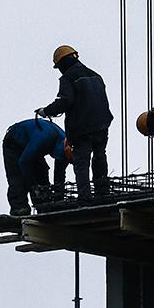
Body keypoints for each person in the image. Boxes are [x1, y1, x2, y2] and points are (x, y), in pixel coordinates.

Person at [36, 45, 113, 200]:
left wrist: (46, 111)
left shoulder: (68, 78)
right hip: (102, 125)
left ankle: (85, 199)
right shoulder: (96, 75)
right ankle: (102, 192)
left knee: (82, 163)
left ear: (62, 63)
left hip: (82, 129)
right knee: (99, 157)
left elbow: (65, 101)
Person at [2, 117, 71, 217]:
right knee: (18, 177)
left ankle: (43, 207)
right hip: (14, 143)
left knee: (41, 173)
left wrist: (58, 198)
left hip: (32, 143)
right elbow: (24, 162)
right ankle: (19, 208)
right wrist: (33, 185)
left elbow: (59, 175)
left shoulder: (67, 147)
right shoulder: (44, 138)